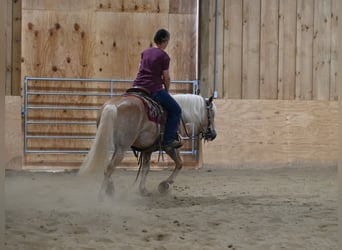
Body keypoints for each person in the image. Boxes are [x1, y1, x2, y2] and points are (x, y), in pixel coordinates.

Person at [133, 28, 182, 149]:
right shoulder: (164, 56)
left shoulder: (145, 52)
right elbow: (166, 77)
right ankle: (168, 140)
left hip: (137, 86)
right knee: (176, 110)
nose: (167, 44)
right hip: (153, 88)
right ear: (164, 41)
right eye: (167, 41)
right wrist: (166, 90)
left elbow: (139, 69)